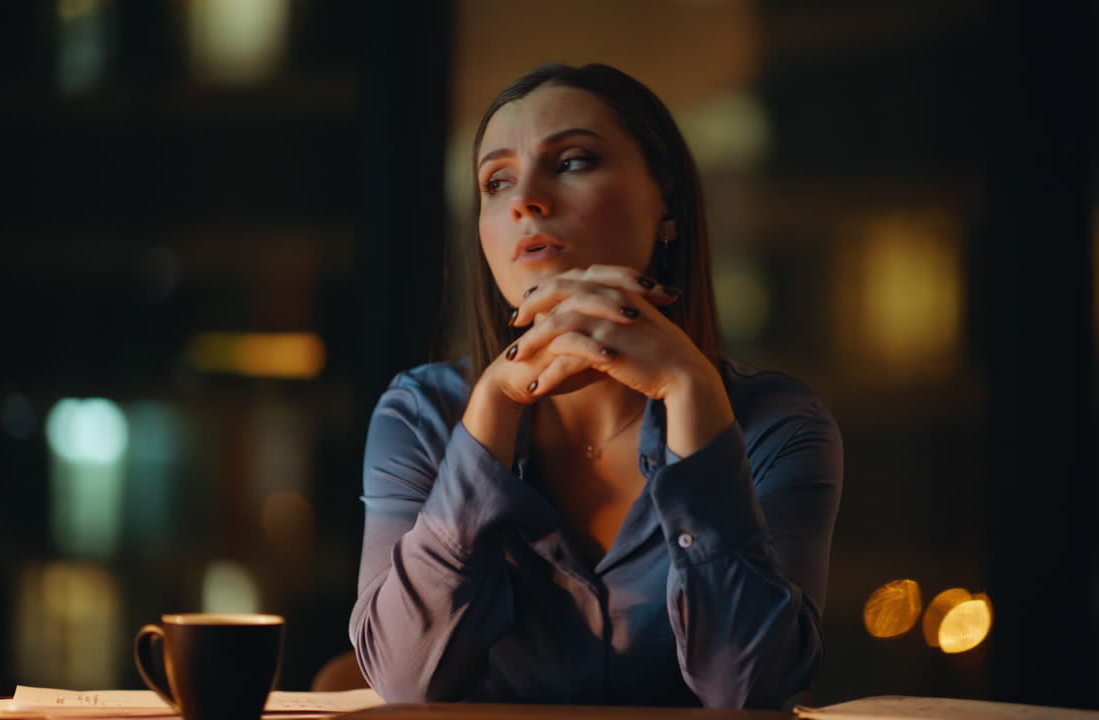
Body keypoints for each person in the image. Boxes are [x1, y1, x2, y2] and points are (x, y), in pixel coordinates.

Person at [349, 63, 842, 709]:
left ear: (666, 202)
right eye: (496, 181)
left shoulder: (778, 424)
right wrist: (493, 410)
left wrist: (693, 394)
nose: (525, 198)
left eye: (573, 161)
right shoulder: (421, 413)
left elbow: (750, 691)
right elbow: (405, 680)